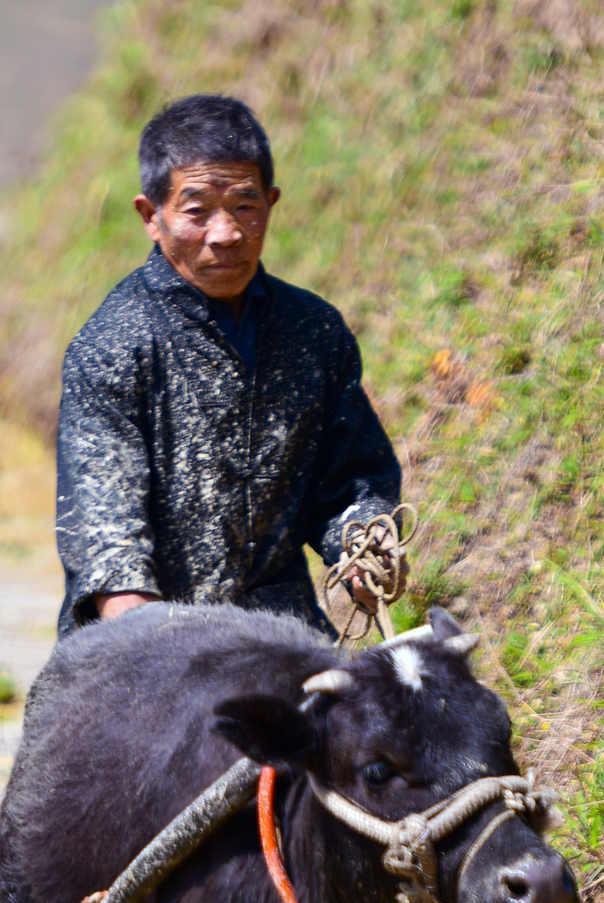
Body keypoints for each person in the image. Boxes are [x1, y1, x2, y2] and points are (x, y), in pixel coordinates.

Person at [55, 94, 404, 637]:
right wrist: (149, 644)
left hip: (281, 636)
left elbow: (353, 482)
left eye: (245, 206)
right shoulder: (114, 345)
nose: (227, 233)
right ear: (151, 216)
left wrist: (363, 546)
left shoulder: (314, 332)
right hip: (150, 640)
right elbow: (109, 534)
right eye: (197, 212)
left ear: (271, 202)